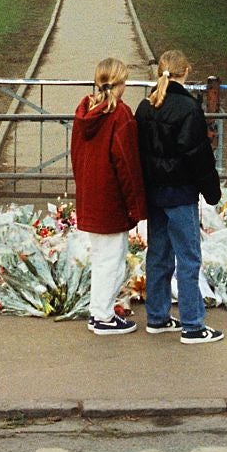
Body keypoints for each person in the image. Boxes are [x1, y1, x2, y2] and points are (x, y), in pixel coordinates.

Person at [135, 49, 224, 344]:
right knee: (188, 257)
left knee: (158, 255)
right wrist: (212, 191)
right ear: (186, 72)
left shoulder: (146, 107)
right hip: (181, 193)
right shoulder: (188, 109)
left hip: (154, 192)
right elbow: (198, 155)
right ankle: (193, 324)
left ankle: (157, 316)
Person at [71, 57, 147, 335]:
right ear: (120, 83)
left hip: (90, 193)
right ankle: (102, 315)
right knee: (112, 259)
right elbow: (126, 164)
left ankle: (99, 311)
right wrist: (136, 205)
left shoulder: (84, 111)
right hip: (112, 197)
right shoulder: (121, 115)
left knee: (101, 258)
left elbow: (76, 155)